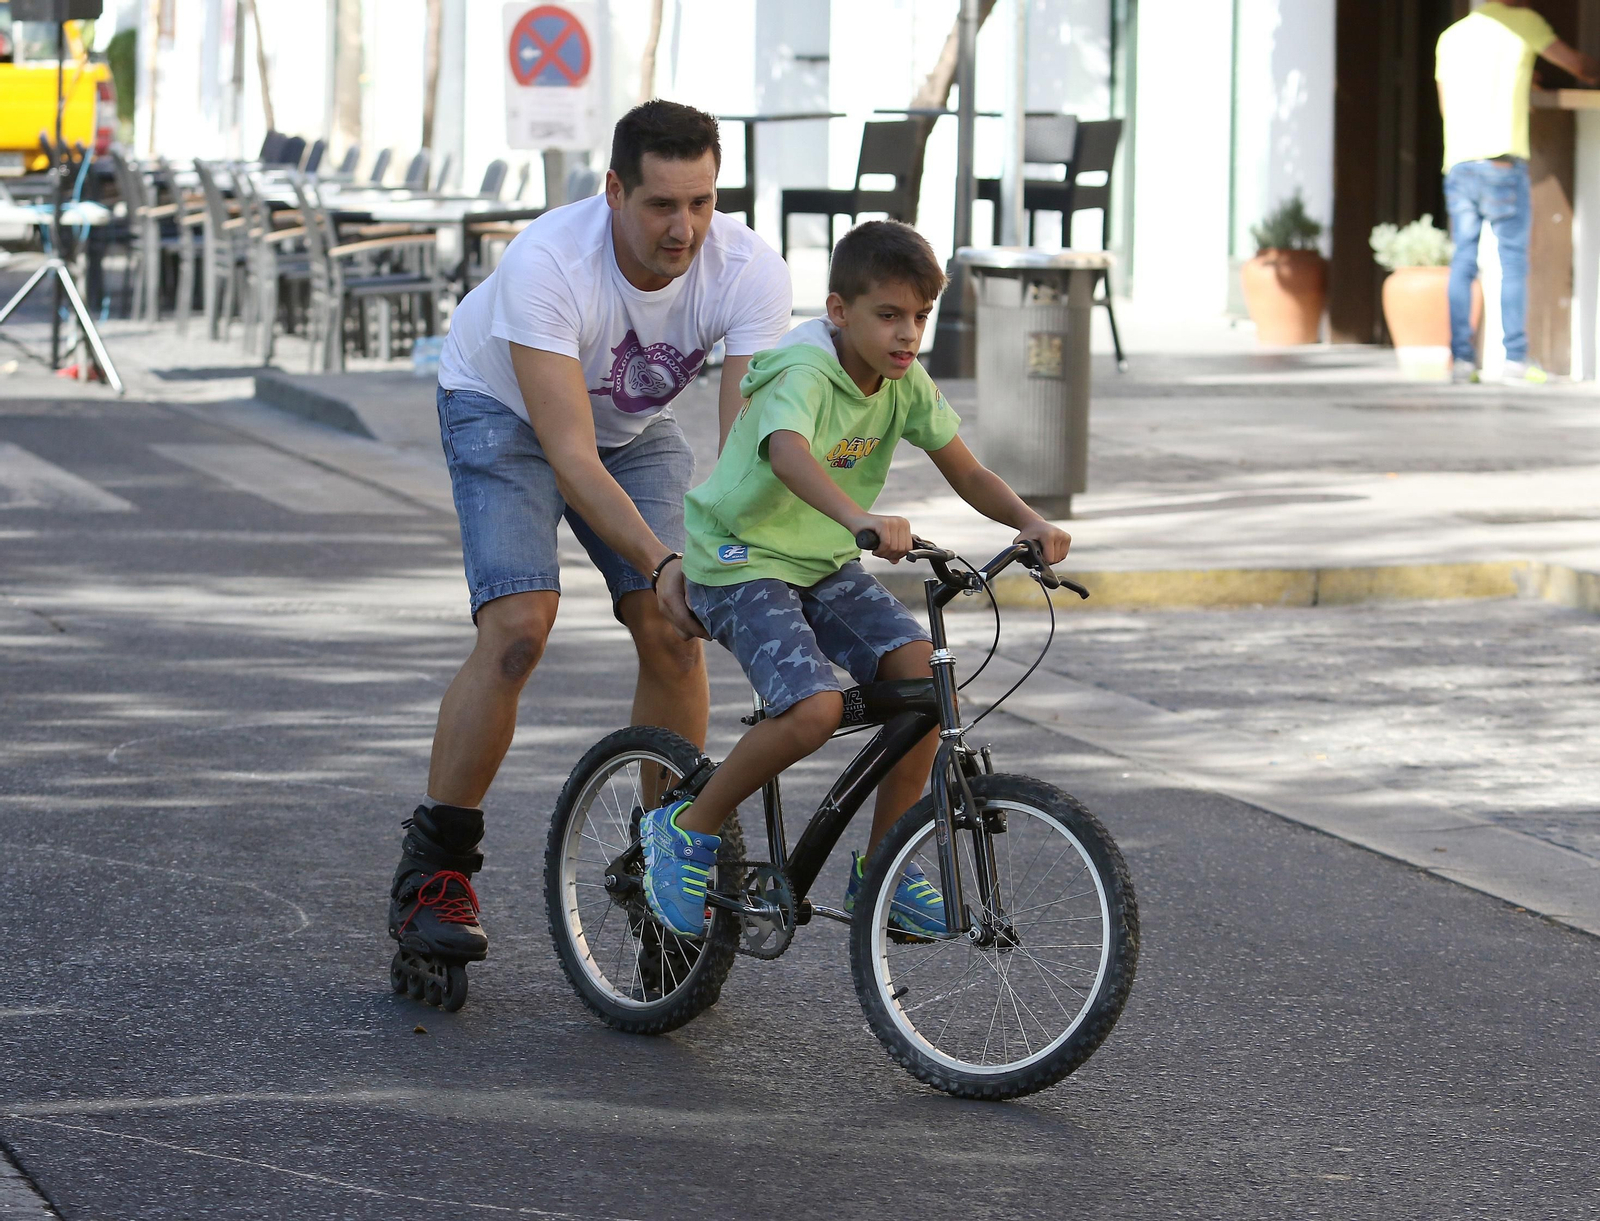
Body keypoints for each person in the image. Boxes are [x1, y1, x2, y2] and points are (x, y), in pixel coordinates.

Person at [388, 101, 792, 999]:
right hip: (504, 409)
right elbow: (569, 456)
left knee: (674, 626)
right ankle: (437, 872)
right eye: (659, 205)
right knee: (521, 626)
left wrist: (739, 552)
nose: (683, 228)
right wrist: (663, 556)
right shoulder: (547, 262)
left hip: (633, 430)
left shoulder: (749, 269)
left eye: (701, 202)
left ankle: (669, 866)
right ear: (613, 190)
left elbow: (746, 440)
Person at [635, 220, 1072, 939]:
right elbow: (787, 454)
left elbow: (966, 470)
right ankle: (687, 823)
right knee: (813, 710)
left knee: (931, 689)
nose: (908, 334)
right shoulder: (806, 371)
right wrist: (858, 514)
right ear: (840, 311)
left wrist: (1028, 521)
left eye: (921, 317)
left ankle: (884, 870)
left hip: (817, 561)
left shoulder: (904, 383)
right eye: (889, 315)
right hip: (739, 559)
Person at [1435, 1, 1598, 384]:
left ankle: (1461, 362)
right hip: (1502, 162)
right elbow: (1580, 67)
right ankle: (1514, 360)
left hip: (1458, 162)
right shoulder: (1525, 24)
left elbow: (1448, 107)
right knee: (1512, 264)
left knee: (1463, 262)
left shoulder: (1450, 37)